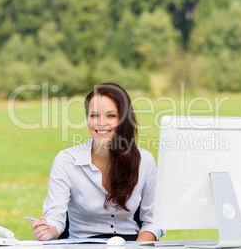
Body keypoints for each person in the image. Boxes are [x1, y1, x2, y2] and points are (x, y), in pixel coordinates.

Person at [31, 83, 165, 241]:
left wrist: (137, 247)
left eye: (111, 116)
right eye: (94, 115)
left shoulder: (144, 161)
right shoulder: (66, 160)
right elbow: (54, 219)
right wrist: (47, 231)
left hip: (132, 243)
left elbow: (153, 221)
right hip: (84, 244)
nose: (101, 123)